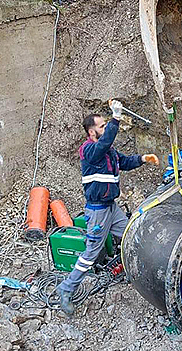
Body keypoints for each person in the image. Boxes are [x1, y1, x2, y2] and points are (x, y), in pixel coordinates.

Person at [57, 100, 160, 315]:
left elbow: (125, 161)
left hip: (111, 208)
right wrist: (115, 118)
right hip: (97, 211)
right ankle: (66, 289)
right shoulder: (89, 150)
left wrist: (143, 158)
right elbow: (105, 143)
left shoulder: (108, 152)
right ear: (92, 132)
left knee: (132, 233)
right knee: (91, 252)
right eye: (102, 126)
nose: (105, 129)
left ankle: (140, 273)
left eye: (106, 125)